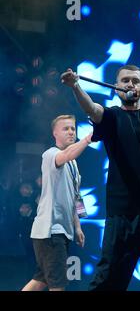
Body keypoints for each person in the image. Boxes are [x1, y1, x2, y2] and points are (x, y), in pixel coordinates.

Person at [60, 65, 140, 291]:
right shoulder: (112, 116)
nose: (130, 84)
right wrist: (75, 86)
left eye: (135, 80)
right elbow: (92, 109)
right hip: (123, 212)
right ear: (116, 86)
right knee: (108, 278)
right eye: (125, 80)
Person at [22, 115, 89, 291]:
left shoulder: (74, 165)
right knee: (57, 285)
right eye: (65, 128)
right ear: (55, 133)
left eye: (73, 128)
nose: (71, 132)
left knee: (41, 280)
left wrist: (78, 227)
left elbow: (76, 197)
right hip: (51, 232)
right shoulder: (50, 154)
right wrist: (89, 138)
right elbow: (66, 154)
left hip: (62, 232)